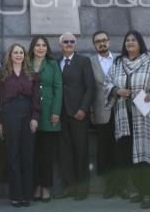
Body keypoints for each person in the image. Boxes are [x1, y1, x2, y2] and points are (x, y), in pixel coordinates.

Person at [104, 30, 150, 210]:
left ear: (140, 42)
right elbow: (107, 83)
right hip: (123, 115)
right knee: (128, 155)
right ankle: (140, 190)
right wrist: (116, 91)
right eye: (127, 40)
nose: (129, 42)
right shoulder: (118, 63)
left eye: (133, 40)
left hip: (144, 114)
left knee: (146, 154)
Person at [0, 44, 39, 208]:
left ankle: (26, 195)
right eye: (16, 52)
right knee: (13, 156)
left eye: (21, 52)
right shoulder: (3, 74)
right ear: (10, 55)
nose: (19, 55)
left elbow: (36, 98)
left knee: (27, 156)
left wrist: (35, 117)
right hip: (9, 115)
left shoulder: (31, 74)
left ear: (25, 55)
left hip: (28, 114)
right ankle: (16, 195)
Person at [56, 32, 95, 200]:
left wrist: (83, 109)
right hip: (61, 115)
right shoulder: (56, 62)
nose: (69, 43)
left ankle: (82, 190)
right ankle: (69, 187)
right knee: (65, 153)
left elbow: (90, 87)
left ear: (75, 44)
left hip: (79, 114)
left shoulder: (83, 61)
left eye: (72, 41)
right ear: (60, 45)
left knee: (81, 152)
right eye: (66, 41)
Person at [28, 35, 62, 202]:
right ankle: (36, 186)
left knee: (47, 154)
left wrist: (56, 112)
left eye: (43, 45)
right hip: (30, 115)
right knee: (33, 154)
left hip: (49, 115)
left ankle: (46, 187)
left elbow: (58, 89)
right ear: (32, 47)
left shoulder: (53, 64)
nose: (40, 48)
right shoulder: (26, 63)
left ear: (47, 48)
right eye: (37, 45)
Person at [90, 30, 123, 199]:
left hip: (123, 110)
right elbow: (89, 89)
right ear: (94, 45)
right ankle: (110, 186)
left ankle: (122, 186)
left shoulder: (120, 59)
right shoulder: (90, 62)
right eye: (98, 42)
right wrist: (91, 112)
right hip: (102, 112)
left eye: (104, 40)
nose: (101, 44)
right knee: (106, 150)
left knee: (122, 150)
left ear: (109, 42)